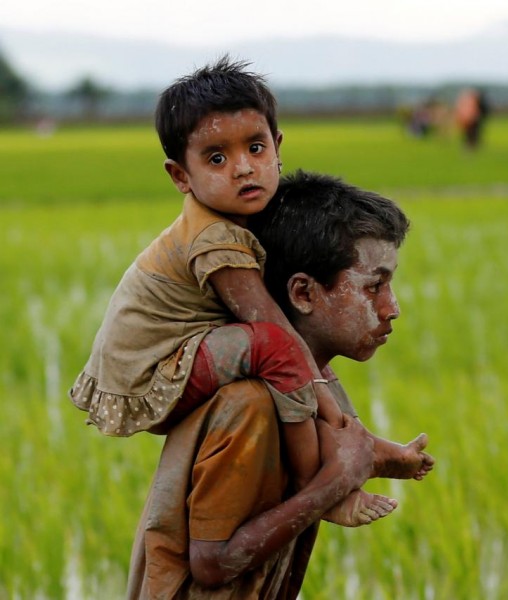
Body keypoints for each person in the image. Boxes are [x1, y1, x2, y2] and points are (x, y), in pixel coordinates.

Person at [69, 57, 429, 529]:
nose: (243, 169)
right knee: (283, 349)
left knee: (304, 361)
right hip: (154, 373)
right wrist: (319, 398)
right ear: (181, 176)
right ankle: (320, 484)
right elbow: (272, 329)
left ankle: (361, 446)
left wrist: (318, 388)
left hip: (186, 355)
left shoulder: (233, 217)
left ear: (277, 146)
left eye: (255, 148)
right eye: (217, 158)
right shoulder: (215, 238)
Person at [127, 169, 430, 597]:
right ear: (303, 293)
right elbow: (212, 565)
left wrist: (387, 459)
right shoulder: (249, 407)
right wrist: (332, 486)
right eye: (375, 285)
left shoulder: (313, 387)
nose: (392, 307)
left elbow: (350, 445)